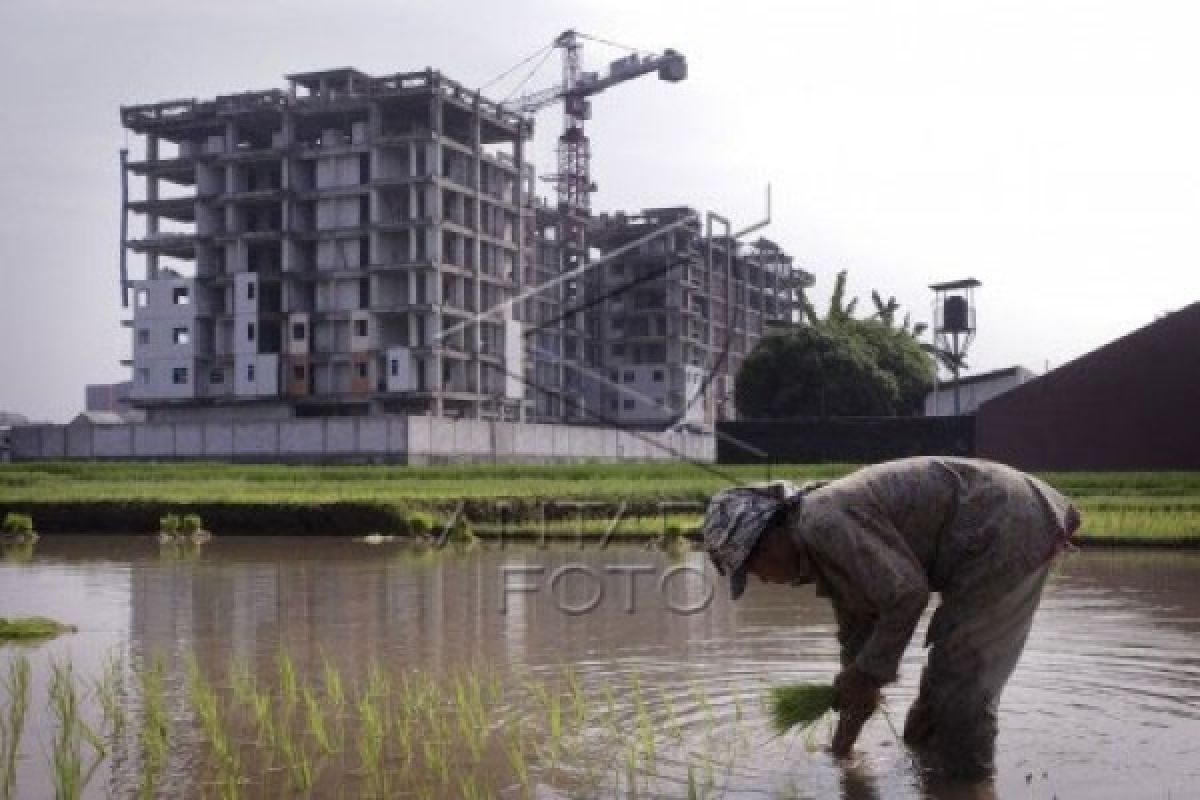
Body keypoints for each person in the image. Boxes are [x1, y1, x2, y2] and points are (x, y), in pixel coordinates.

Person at [702, 457, 1080, 780]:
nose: (763, 580)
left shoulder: (823, 523)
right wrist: (842, 746)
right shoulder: (824, 560)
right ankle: (935, 779)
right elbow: (859, 648)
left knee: (962, 682)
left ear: (769, 539)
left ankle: (969, 787)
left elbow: (906, 594)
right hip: (982, 539)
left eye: (753, 568)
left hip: (1003, 524)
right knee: (929, 716)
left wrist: (866, 675)